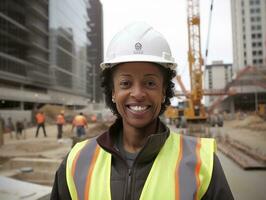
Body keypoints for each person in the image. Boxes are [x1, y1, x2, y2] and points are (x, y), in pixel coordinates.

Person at [51, 22, 233, 200]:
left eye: (150, 83)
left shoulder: (202, 162)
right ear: (113, 92)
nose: (137, 94)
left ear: (163, 92)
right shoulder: (76, 161)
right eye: (125, 83)